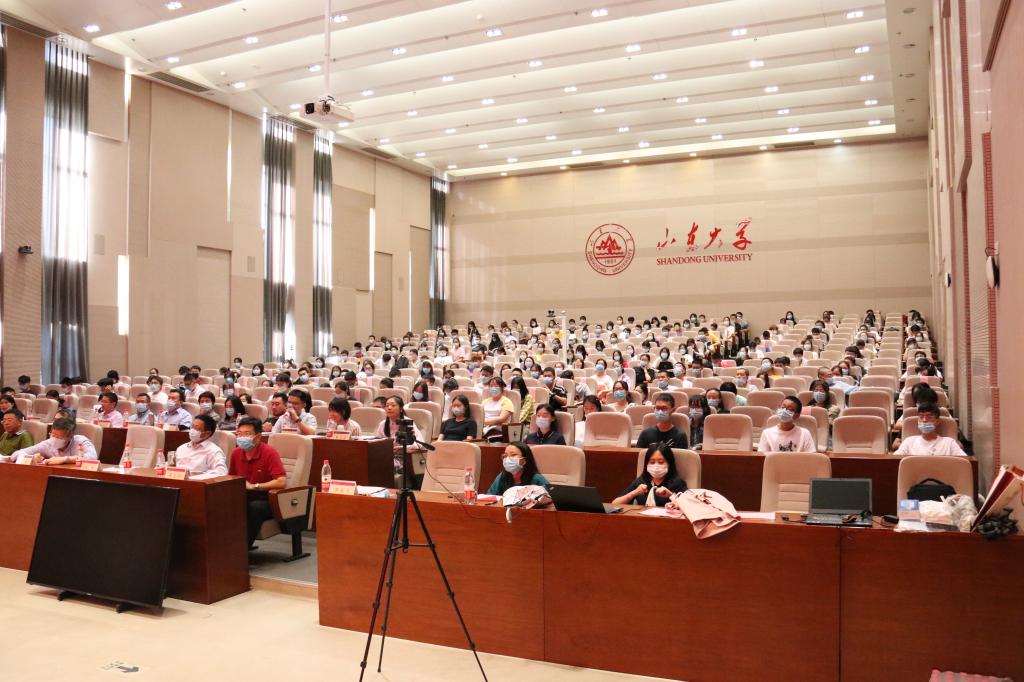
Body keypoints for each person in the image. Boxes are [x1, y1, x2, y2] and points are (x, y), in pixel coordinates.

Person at [228, 417, 287, 548]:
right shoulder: (236, 453)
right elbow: (232, 478)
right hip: (244, 496)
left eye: (247, 434)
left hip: (268, 500)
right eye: (239, 434)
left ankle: (242, 549)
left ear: (258, 436)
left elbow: (281, 482)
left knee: (254, 507)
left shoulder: (269, 452)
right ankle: (224, 546)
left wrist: (254, 486)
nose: (242, 437)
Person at [613, 444, 688, 507]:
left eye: (661, 462)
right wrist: (634, 493)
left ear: (669, 464)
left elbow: (688, 507)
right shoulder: (641, 481)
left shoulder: (677, 483)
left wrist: (670, 495)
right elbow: (615, 504)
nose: (656, 466)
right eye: (652, 462)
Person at [6, 417, 98, 464]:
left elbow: (92, 458)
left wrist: (65, 459)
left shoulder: (80, 441)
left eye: (59, 437)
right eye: (53, 435)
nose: (54, 439)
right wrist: (31, 458)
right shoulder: (48, 444)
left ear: (70, 437)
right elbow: (17, 454)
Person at [374, 396, 426, 477]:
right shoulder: (382, 424)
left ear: (401, 409)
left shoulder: (407, 423)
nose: (389, 408)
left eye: (393, 405)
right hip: (387, 456)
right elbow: (377, 443)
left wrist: (402, 448)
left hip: (404, 459)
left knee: (382, 464)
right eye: (387, 406)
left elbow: (419, 444)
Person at [895, 403, 965, 456]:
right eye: (921, 417)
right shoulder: (909, 441)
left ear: (937, 421)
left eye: (929, 417)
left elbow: (964, 462)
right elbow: (895, 461)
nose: (924, 420)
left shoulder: (949, 443)